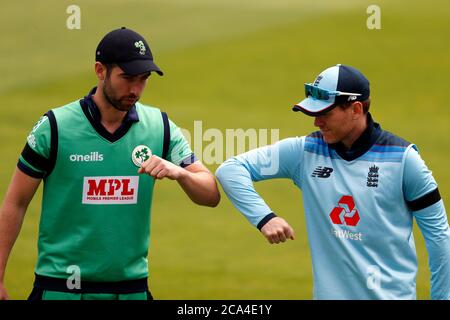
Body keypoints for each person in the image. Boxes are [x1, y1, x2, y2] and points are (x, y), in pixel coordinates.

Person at [0, 27, 220, 300]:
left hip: (131, 291)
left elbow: (211, 194)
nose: (136, 89)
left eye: (144, 79)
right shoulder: (55, 127)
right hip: (60, 289)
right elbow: (15, 202)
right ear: (100, 70)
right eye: (127, 78)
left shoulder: (161, 128)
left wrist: (181, 174)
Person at [216, 64, 450, 299]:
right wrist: (264, 218)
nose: (317, 122)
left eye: (325, 113)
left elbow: (439, 236)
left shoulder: (404, 160)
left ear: (356, 109)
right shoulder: (305, 152)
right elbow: (231, 169)